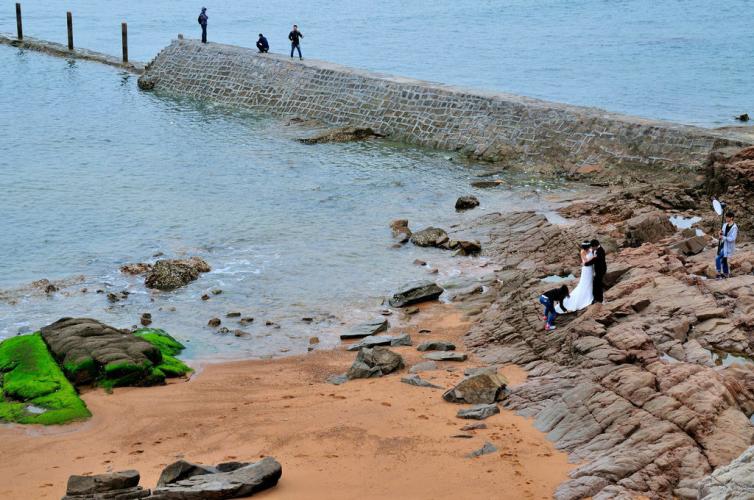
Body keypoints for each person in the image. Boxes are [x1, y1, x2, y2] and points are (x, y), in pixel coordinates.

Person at [557, 242, 594, 313]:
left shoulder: (590, 250)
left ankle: (590, 292)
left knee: (590, 281)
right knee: (585, 282)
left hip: (590, 268)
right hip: (586, 268)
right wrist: (594, 259)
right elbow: (585, 261)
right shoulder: (582, 252)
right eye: (587, 247)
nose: (588, 248)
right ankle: (586, 296)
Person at [716, 211, 738, 279]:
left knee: (719, 258)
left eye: (727, 217)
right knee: (723, 259)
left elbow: (733, 238)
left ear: (731, 218)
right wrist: (720, 233)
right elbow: (722, 233)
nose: (726, 218)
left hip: (729, 246)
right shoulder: (725, 225)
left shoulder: (734, 227)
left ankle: (719, 273)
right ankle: (726, 273)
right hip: (723, 244)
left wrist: (723, 237)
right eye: (726, 217)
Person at [585, 239, 607, 304]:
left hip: (601, 270)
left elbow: (595, 260)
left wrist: (587, 263)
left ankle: (599, 299)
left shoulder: (600, 251)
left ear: (595, 246)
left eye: (592, 246)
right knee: (596, 284)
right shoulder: (596, 250)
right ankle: (597, 298)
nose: (592, 248)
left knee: (597, 284)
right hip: (598, 269)